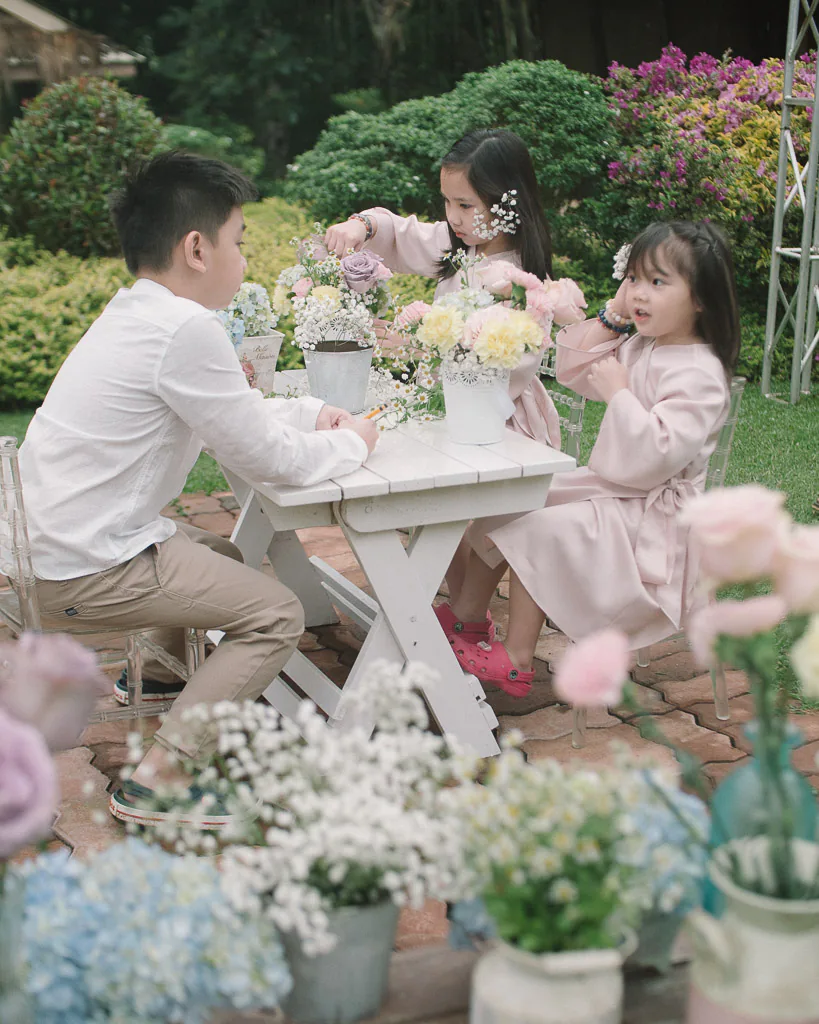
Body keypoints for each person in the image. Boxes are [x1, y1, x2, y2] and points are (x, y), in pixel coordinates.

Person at [18, 152, 378, 825]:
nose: (242, 259)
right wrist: (354, 442)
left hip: (44, 546)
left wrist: (311, 415)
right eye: (237, 242)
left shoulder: (138, 313)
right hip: (81, 567)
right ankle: (161, 777)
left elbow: (230, 415)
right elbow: (274, 462)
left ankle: (158, 673)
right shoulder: (184, 329)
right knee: (275, 617)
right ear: (195, 247)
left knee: (226, 560)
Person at [437, 221, 740, 697]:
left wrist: (620, 395)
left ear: (700, 298)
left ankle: (518, 660)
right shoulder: (644, 342)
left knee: (538, 531)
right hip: (618, 491)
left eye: (658, 283)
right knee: (510, 501)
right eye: (635, 278)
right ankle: (468, 618)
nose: (639, 293)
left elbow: (657, 454)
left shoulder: (700, 373)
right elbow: (575, 369)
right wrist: (615, 316)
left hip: (651, 521)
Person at [325, 128, 566, 600]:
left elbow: (509, 363)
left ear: (506, 203)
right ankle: (455, 608)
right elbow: (397, 229)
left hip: (503, 415)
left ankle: (467, 615)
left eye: (466, 204)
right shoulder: (458, 246)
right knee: (425, 508)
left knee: (487, 522)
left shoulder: (524, 279)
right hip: (445, 407)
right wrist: (362, 226)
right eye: (447, 203)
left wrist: (415, 343)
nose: (452, 217)